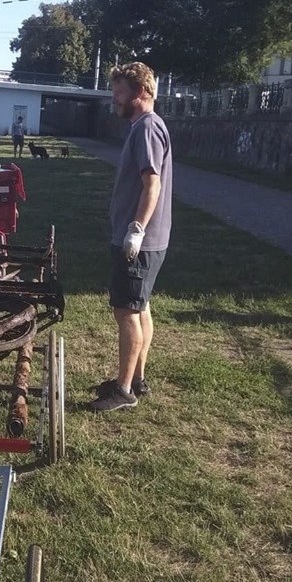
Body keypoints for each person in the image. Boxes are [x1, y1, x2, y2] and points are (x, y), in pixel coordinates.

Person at [89, 61, 172, 413]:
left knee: (126, 311)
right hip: (149, 240)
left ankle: (124, 391)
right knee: (141, 308)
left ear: (140, 93)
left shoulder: (146, 129)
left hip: (140, 241)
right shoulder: (146, 126)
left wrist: (135, 230)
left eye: (119, 94)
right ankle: (136, 378)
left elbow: (151, 184)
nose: (114, 101)